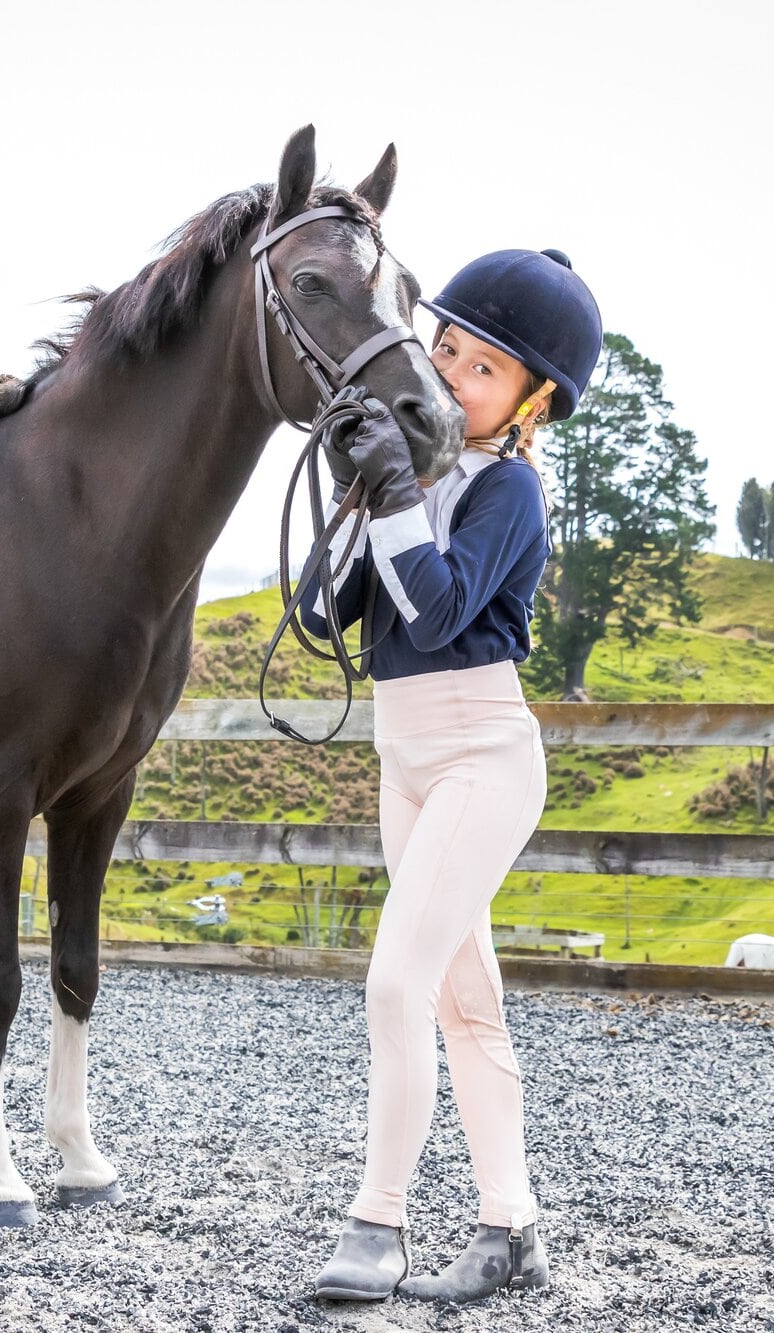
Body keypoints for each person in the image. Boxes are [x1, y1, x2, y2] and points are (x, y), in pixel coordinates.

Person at [301, 248, 602, 1305]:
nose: (453, 377)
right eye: (446, 352)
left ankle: (376, 1223)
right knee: (469, 1005)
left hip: (482, 754)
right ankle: (511, 1229)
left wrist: (392, 492)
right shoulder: (418, 479)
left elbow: (433, 613)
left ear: (533, 401)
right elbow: (319, 616)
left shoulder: (510, 491)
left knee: (398, 984)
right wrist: (354, 491)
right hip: (405, 757)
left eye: (484, 369)